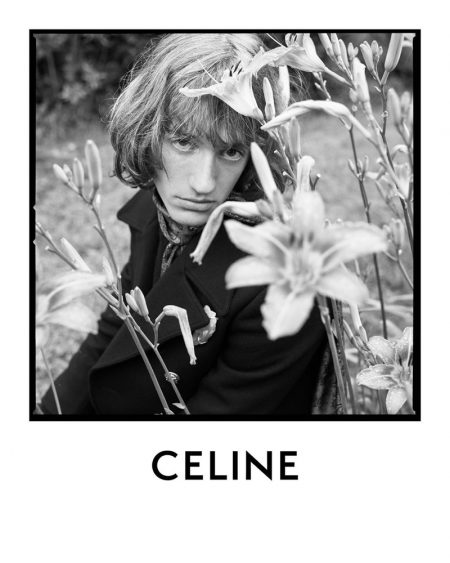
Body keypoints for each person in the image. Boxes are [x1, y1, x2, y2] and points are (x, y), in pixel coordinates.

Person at [40, 33, 338, 416]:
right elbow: (121, 326)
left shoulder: (283, 280)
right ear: (147, 133)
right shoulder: (158, 211)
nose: (204, 183)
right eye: (184, 142)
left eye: (231, 151)